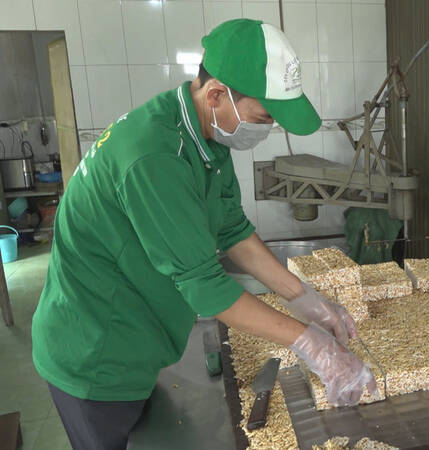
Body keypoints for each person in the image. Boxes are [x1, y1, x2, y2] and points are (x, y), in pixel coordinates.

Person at [31, 19, 377, 450]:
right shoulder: (155, 157)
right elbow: (206, 288)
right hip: (95, 353)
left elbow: (232, 230)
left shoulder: (204, 136)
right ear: (216, 94)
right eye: (263, 116)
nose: (266, 129)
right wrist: (313, 345)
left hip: (136, 333)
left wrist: (302, 296)